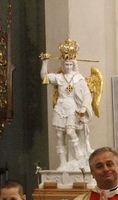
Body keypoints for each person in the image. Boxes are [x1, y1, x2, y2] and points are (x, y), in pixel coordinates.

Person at [40, 38, 94, 170]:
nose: (68, 67)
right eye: (66, 64)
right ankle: (63, 162)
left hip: (73, 109)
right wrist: (45, 63)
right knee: (59, 135)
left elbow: (87, 94)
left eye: (70, 64)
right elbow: (44, 78)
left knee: (70, 131)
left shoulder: (79, 78)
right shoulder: (59, 78)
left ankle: (78, 158)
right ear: (62, 64)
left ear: (73, 64)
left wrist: (83, 108)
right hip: (60, 107)